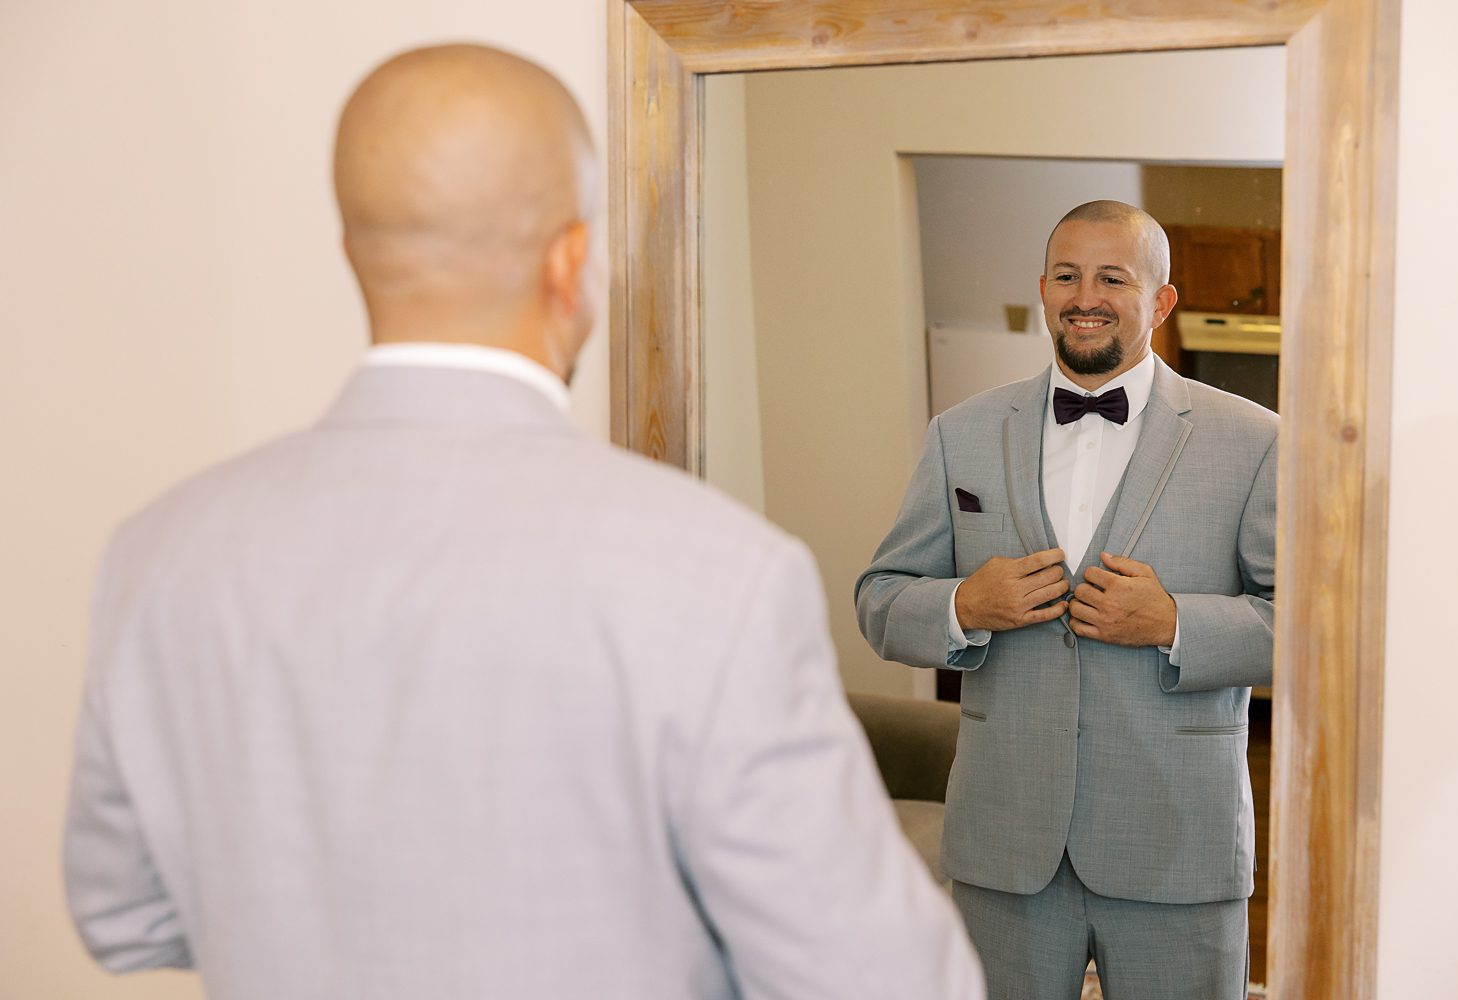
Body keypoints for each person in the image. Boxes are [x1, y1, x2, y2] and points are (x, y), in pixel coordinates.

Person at [63, 44, 983, 1000]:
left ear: (355, 253)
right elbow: (883, 978)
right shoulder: (719, 571)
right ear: (572, 261)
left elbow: (122, 917)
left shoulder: (161, 551)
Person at [856, 200, 1276, 1000]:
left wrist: (1178, 623)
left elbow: (1304, 630)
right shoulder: (962, 433)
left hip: (1176, 841)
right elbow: (879, 600)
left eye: (1113, 277)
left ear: (1160, 301)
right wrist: (963, 607)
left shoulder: (1256, 441)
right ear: (1043, 291)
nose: (1086, 295)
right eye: (1067, 274)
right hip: (1004, 846)